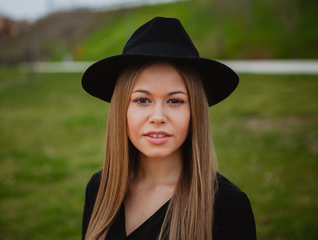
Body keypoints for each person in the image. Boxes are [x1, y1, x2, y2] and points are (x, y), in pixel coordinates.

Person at [81, 17, 256, 240]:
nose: (158, 117)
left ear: (195, 112)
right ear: (121, 109)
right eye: (142, 100)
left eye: (175, 101)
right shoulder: (100, 189)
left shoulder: (227, 207)